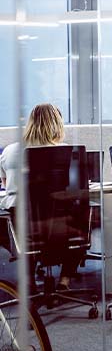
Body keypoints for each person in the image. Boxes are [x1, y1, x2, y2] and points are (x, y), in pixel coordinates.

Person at [0, 104, 83, 291]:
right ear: (57, 125)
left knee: (25, 235)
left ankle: (29, 283)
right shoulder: (66, 151)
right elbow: (73, 189)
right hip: (57, 223)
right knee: (82, 224)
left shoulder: (10, 151)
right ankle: (64, 281)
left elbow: (6, 185)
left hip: (24, 224)